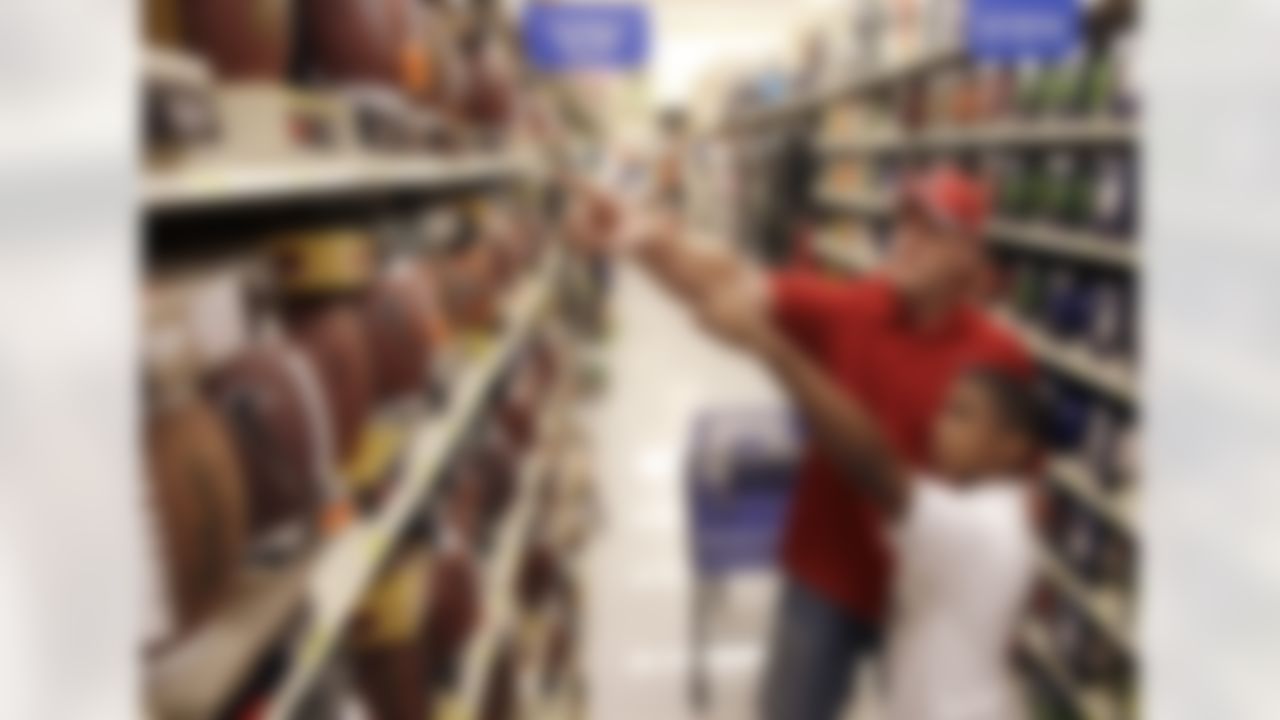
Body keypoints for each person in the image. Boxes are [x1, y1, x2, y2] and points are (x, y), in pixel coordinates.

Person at [567, 163, 1033, 720]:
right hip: (825, 575)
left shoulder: (1002, 361)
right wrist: (643, 245)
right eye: (903, 223)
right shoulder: (855, 307)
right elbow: (732, 284)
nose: (906, 240)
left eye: (930, 229)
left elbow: (1011, 503)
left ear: (969, 253)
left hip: (920, 600)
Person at [697, 288, 1041, 719]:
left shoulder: (983, 530)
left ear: (1012, 447)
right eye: (945, 409)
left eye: (961, 415)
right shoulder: (993, 512)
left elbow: (873, 466)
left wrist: (766, 343)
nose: (938, 427)